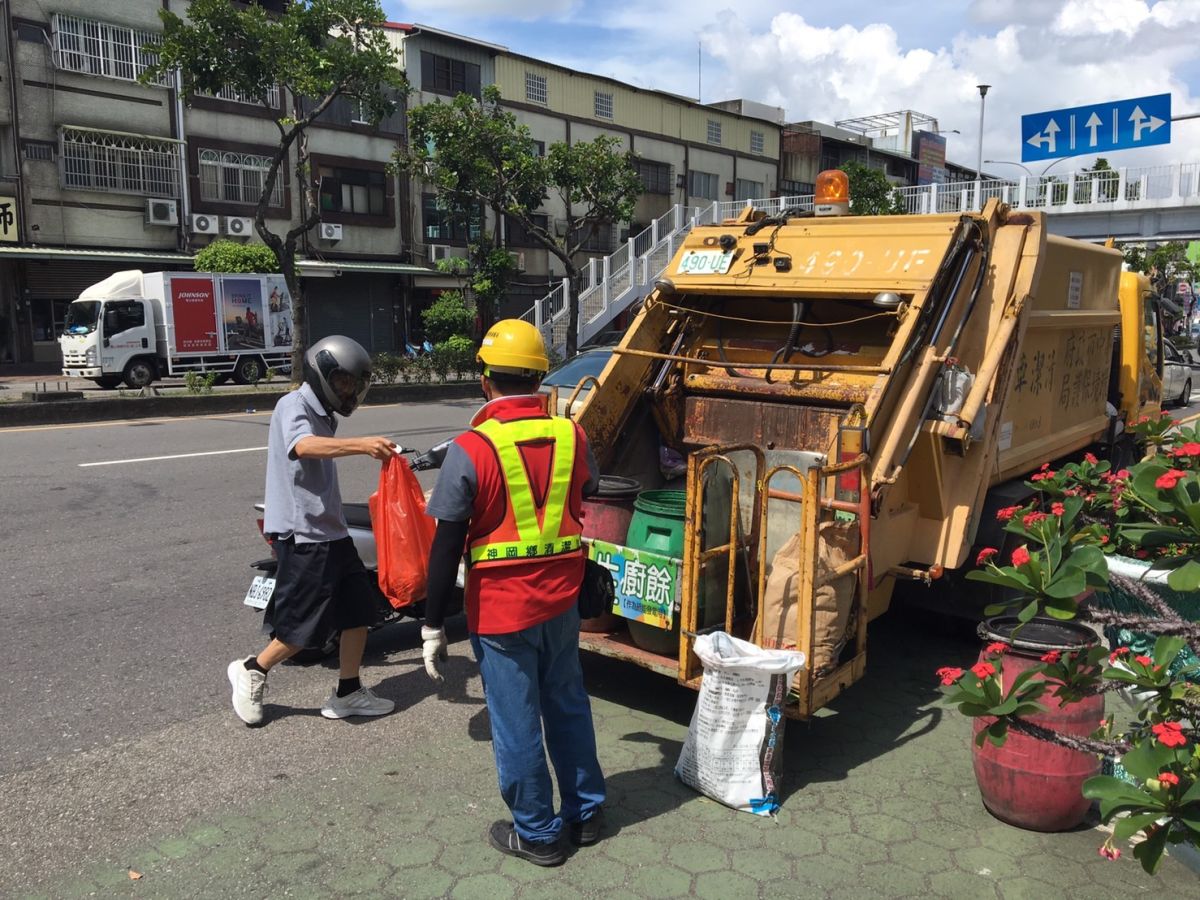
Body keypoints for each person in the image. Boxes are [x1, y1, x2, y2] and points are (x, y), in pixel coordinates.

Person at [421, 319, 606, 867]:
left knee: (516, 719)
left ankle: (539, 833)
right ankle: (586, 814)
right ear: (540, 378)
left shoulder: (472, 448)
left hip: (501, 613)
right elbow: (589, 488)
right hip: (563, 602)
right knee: (567, 702)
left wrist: (432, 623)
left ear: (486, 380)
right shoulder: (572, 436)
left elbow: (446, 545)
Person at [227, 335, 397, 727]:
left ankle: (348, 691)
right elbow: (302, 446)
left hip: (331, 530)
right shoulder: (294, 404)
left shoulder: (324, 413)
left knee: (359, 611)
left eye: (354, 385)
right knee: (304, 628)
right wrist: (362, 445)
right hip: (303, 533)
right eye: (344, 382)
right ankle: (252, 669)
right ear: (323, 374)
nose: (349, 392)